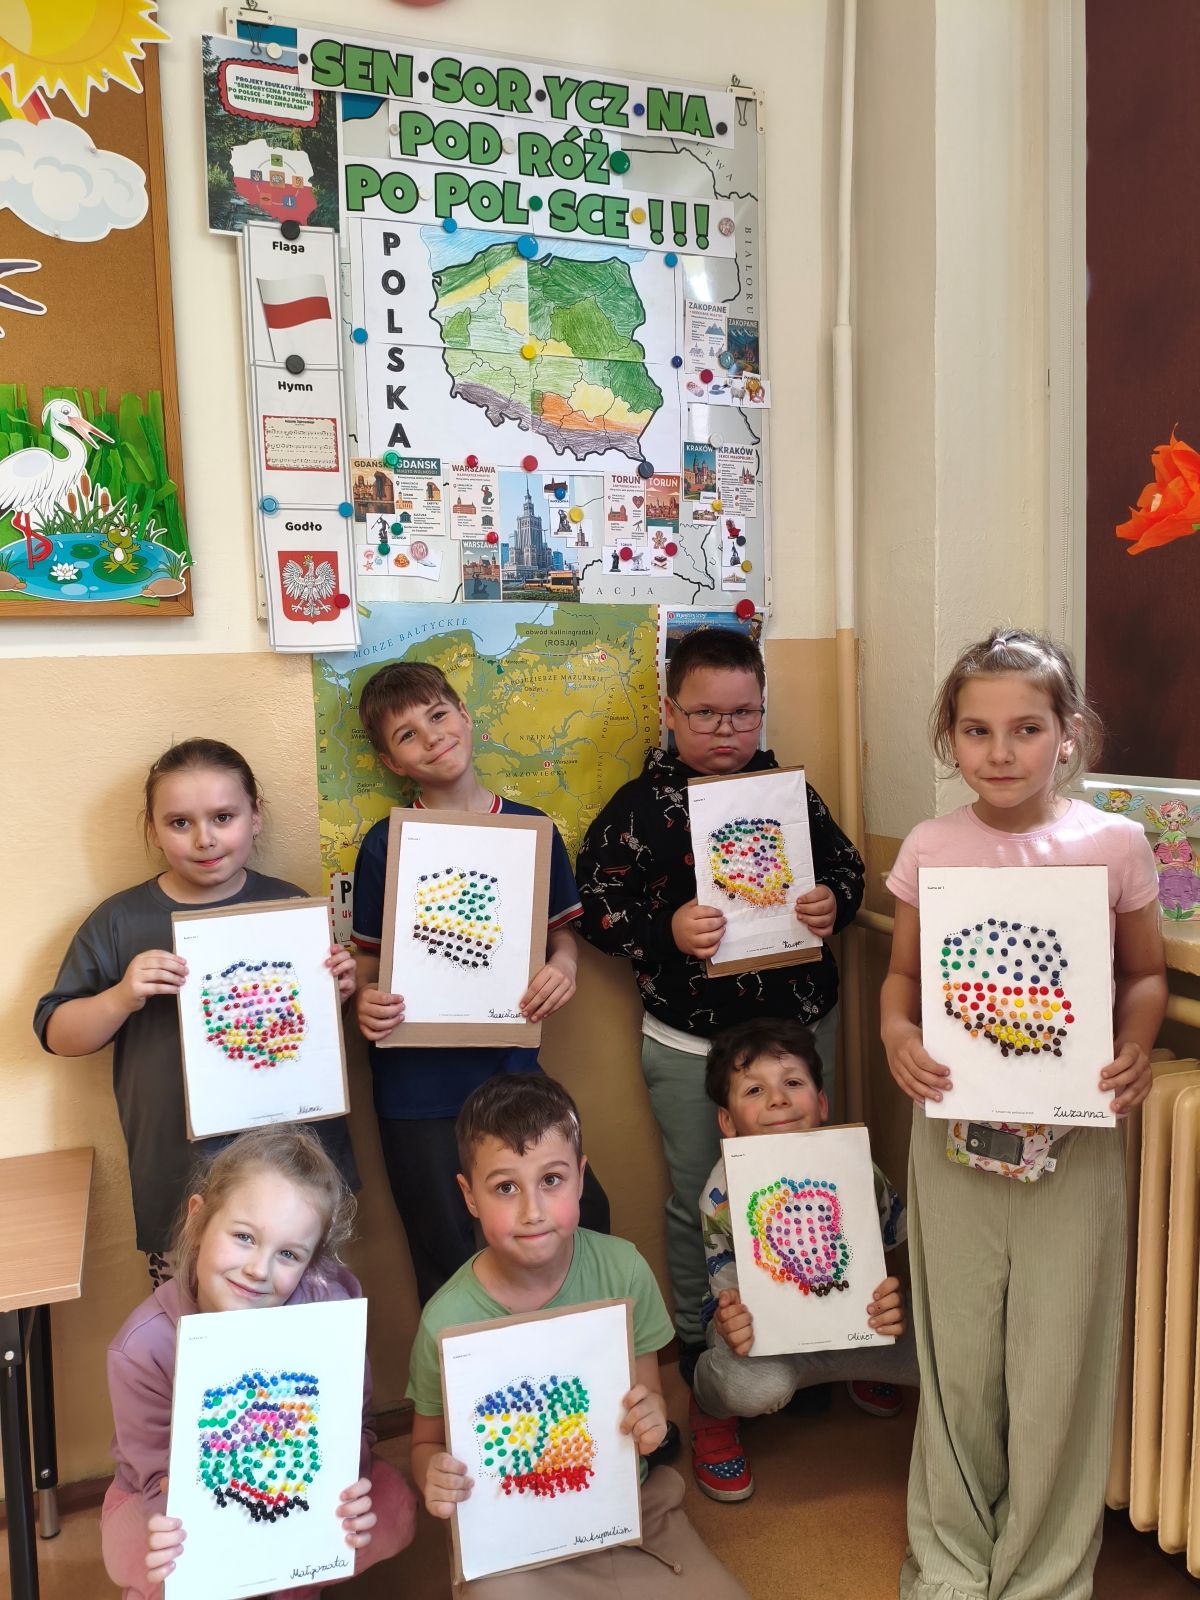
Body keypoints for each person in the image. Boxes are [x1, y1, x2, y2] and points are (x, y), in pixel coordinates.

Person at [880, 628, 1166, 1600]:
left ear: (1068, 732)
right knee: (959, 1357)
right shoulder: (931, 846)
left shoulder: (1114, 844)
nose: (1000, 752)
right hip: (953, 1130)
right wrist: (896, 1034)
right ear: (950, 737)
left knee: (1057, 1360)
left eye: (1026, 728)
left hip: (1074, 1141)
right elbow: (903, 978)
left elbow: (1144, 975)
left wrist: (1135, 1044)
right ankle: (952, 1559)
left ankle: (1044, 1570)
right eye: (977, 730)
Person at [575, 628, 864, 1374]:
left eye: (743, 713)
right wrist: (665, 932)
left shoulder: (789, 795)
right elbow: (593, 908)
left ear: (762, 709)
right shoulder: (636, 810)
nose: (726, 730)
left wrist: (834, 902)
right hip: (691, 1046)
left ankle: (823, 1339)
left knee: (815, 1187)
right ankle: (702, 1346)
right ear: (670, 712)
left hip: (799, 1035)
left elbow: (846, 869)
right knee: (698, 1199)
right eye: (705, 714)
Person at [407, 1073, 749, 1599]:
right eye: (505, 1188)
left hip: (625, 1509)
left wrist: (651, 1420)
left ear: (581, 1178)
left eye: (551, 1179)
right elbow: (426, 1442)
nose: (532, 1211)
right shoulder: (446, 1319)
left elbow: (647, 1395)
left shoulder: (623, 1269)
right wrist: (432, 1471)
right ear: (469, 1196)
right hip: (512, 1534)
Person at [34, 738, 359, 1284]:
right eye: (180, 822)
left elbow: (315, 1037)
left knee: (304, 1311)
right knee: (187, 1318)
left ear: (256, 816)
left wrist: (338, 994)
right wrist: (121, 995)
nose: (204, 838)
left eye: (223, 817)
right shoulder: (120, 920)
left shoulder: (290, 905)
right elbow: (56, 1032)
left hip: (294, 1174)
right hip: (180, 1178)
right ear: (152, 828)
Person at [351, 663, 609, 1304]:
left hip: (510, 1074)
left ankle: (566, 1356)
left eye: (439, 715)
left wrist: (565, 966)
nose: (432, 737)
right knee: (445, 1253)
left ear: (465, 716)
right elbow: (368, 966)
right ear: (392, 762)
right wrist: (365, 1002)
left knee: (582, 1224)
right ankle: (461, 1368)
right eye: (407, 734)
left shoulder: (530, 829)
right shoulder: (385, 845)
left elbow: (561, 938)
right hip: (415, 1089)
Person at [101, 1127, 416, 1599]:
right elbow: (156, 1473)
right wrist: (185, 1530)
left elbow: (354, 1426)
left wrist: (343, 1488)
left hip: (290, 1481)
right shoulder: (142, 1349)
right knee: (160, 1566)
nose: (258, 1270)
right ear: (197, 1220)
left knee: (393, 1511)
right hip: (169, 1497)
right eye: (244, 1237)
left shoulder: (329, 1312)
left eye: (288, 1253)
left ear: (311, 1263)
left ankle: (294, 1585)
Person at [690, 1018, 916, 1501]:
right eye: (755, 1090)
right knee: (751, 1388)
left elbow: (887, 1254)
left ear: (821, 1102)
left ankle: (863, 1367)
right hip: (762, 1333)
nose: (778, 1099)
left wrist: (888, 1307)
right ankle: (709, 1408)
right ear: (727, 1122)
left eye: (793, 1082)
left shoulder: (856, 1166)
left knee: (946, 1351)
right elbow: (730, 1302)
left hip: (854, 1318)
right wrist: (731, 1326)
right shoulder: (720, 1194)